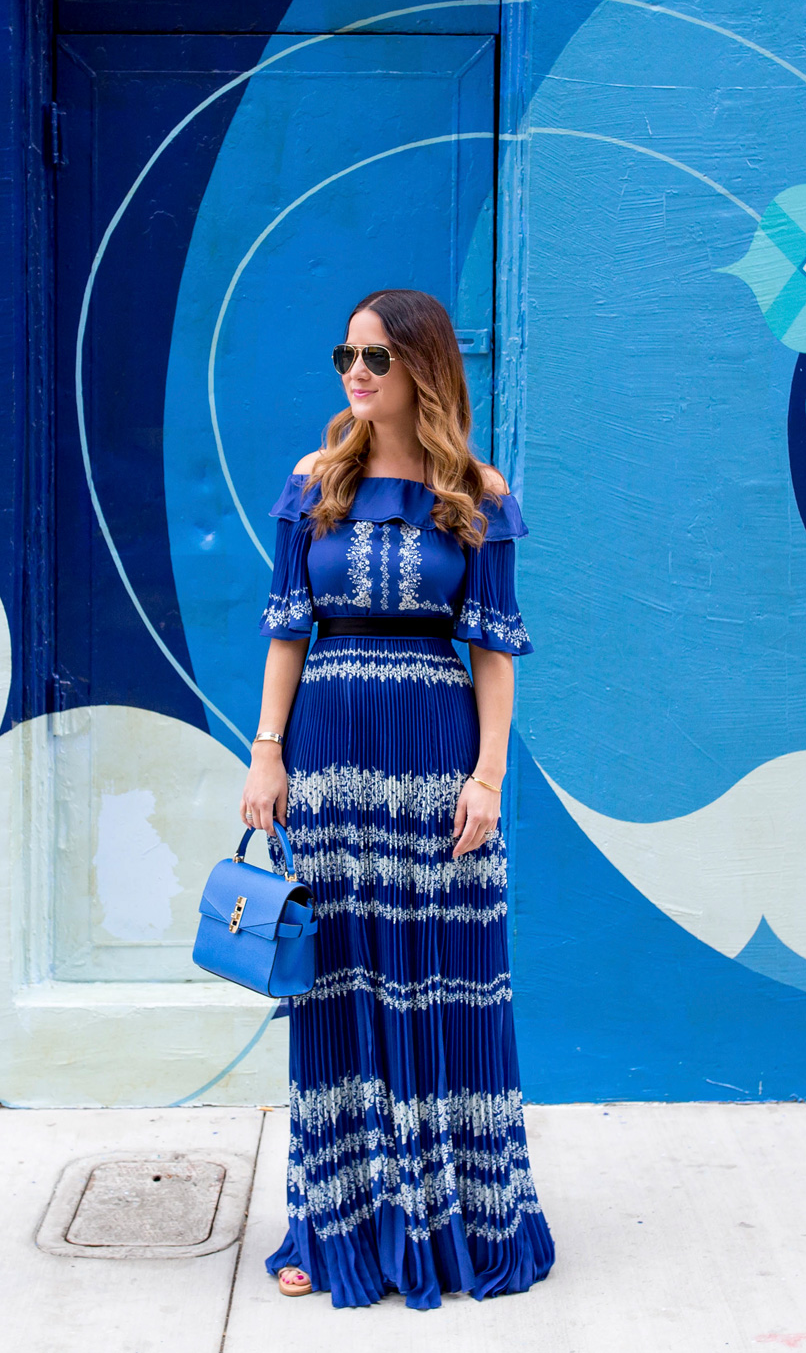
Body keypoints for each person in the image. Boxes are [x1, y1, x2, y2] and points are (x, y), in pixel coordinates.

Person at [240, 287, 555, 1311]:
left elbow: (495, 653)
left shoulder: (476, 490)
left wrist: (488, 778)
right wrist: (265, 753)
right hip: (329, 751)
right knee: (338, 985)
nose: (357, 373)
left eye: (376, 356)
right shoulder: (313, 481)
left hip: (434, 752)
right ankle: (332, 1226)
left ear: (423, 365)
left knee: (440, 971)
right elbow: (288, 628)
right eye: (347, 356)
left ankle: (455, 1220)